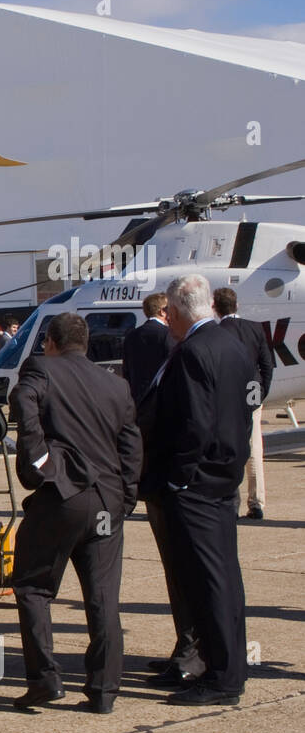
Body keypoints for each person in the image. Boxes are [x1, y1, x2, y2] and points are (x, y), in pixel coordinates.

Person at [9, 312, 142, 714]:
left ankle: (45, 679)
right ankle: (103, 691)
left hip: (63, 495)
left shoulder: (41, 368)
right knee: (104, 600)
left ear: (50, 342)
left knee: (33, 587)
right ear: (85, 344)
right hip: (107, 501)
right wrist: (125, 499)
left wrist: (38, 460)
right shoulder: (116, 386)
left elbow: (22, 399)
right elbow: (131, 448)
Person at [137, 275, 255, 706]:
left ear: (181, 310)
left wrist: (178, 478)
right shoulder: (232, 344)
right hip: (222, 477)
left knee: (206, 582)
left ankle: (221, 677)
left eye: (170, 311)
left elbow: (194, 424)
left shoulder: (194, 352)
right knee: (222, 578)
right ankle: (224, 666)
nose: (167, 320)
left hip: (197, 485)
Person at [213, 287, 273, 520]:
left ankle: (231, 500)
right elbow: (266, 365)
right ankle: (256, 501)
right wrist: (261, 393)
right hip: (251, 393)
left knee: (227, 448)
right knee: (254, 448)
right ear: (236, 305)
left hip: (226, 395)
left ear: (215, 308)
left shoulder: (217, 332)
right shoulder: (255, 328)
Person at [121, 293, 171, 405]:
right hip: (161, 400)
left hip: (137, 399)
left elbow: (126, 371)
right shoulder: (168, 334)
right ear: (162, 311)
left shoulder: (131, 335)